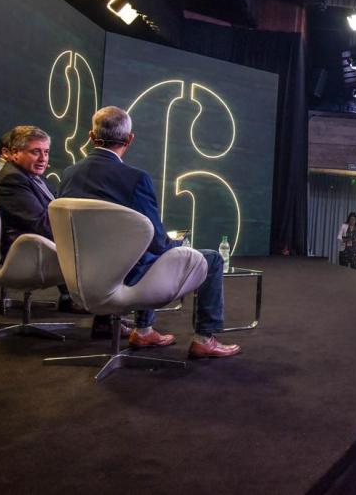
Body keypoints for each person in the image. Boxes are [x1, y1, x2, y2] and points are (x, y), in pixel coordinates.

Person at [59, 106, 240, 359]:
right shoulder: (136, 179)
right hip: (127, 276)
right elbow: (156, 242)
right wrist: (178, 245)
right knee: (211, 258)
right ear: (130, 139)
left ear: (91, 135)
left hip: (81, 273)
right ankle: (204, 339)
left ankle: (143, 331)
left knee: (141, 253)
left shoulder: (69, 175)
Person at [0, 125, 76, 311]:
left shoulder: (27, 176)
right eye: (36, 152)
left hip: (36, 245)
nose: (43, 159)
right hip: (26, 252)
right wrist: (79, 230)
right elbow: (41, 224)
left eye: (46, 152)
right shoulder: (12, 181)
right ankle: (99, 311)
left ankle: (85, 302)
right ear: (14, 153)